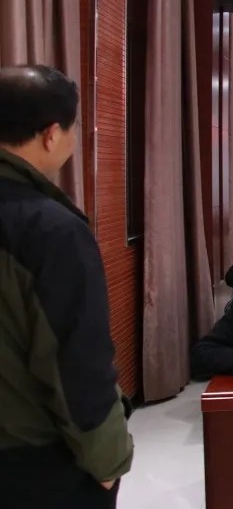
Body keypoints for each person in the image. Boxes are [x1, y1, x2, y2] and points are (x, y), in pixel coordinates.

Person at [0, 65, 133, 506]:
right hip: (37, 462)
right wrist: (108, 463)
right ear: (52, 135)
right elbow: (76, 359)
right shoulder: (50, 230)